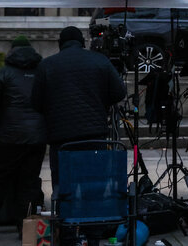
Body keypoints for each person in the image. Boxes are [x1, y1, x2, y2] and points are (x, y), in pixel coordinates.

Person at [32, 26, 126, 190]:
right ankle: (93, 213)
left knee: (64, 188)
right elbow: (119, 92)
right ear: (82, 42)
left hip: (60, 138)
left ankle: (65, 213)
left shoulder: (46, 66)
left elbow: (36, 103)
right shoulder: (100, 61)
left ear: (60, 44)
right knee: (94, 182)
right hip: (94, 135)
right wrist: (100, 102)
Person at [0, 36, 47, 232]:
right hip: (37, 138)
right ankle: (25, 228)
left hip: (8, 137)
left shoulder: (4, 73)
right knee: (28, 182)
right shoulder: (42, 72)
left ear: (11, 51)